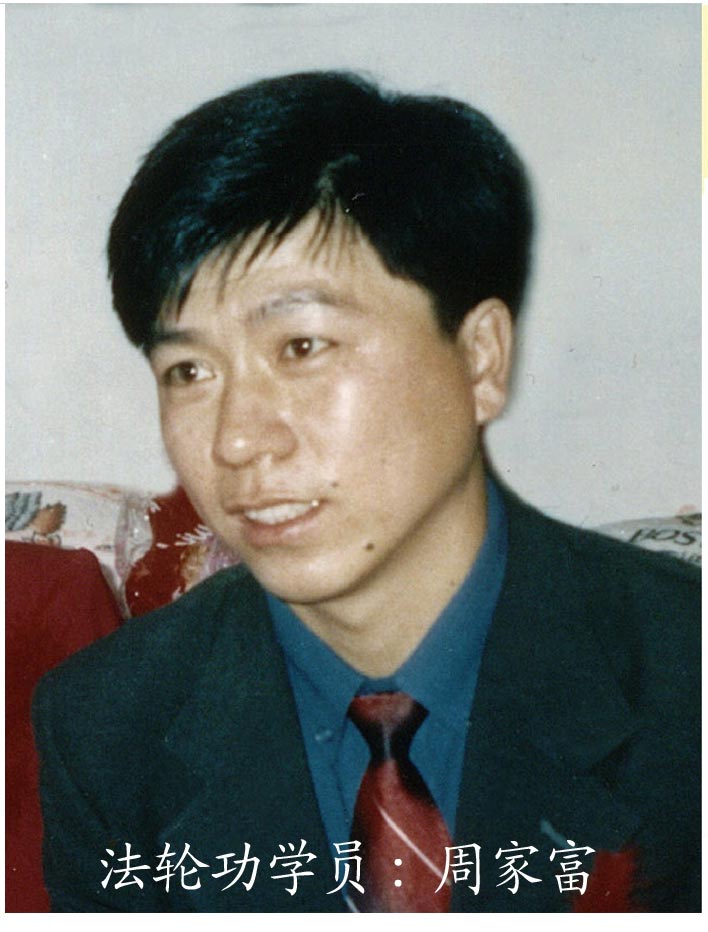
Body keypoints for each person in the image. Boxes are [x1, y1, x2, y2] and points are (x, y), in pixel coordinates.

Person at [32, 70, 699, 913]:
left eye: (302, 347)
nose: (237, 439)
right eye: (189, 370)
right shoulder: (106, 725)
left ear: (481, 359)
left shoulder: (685, 671)